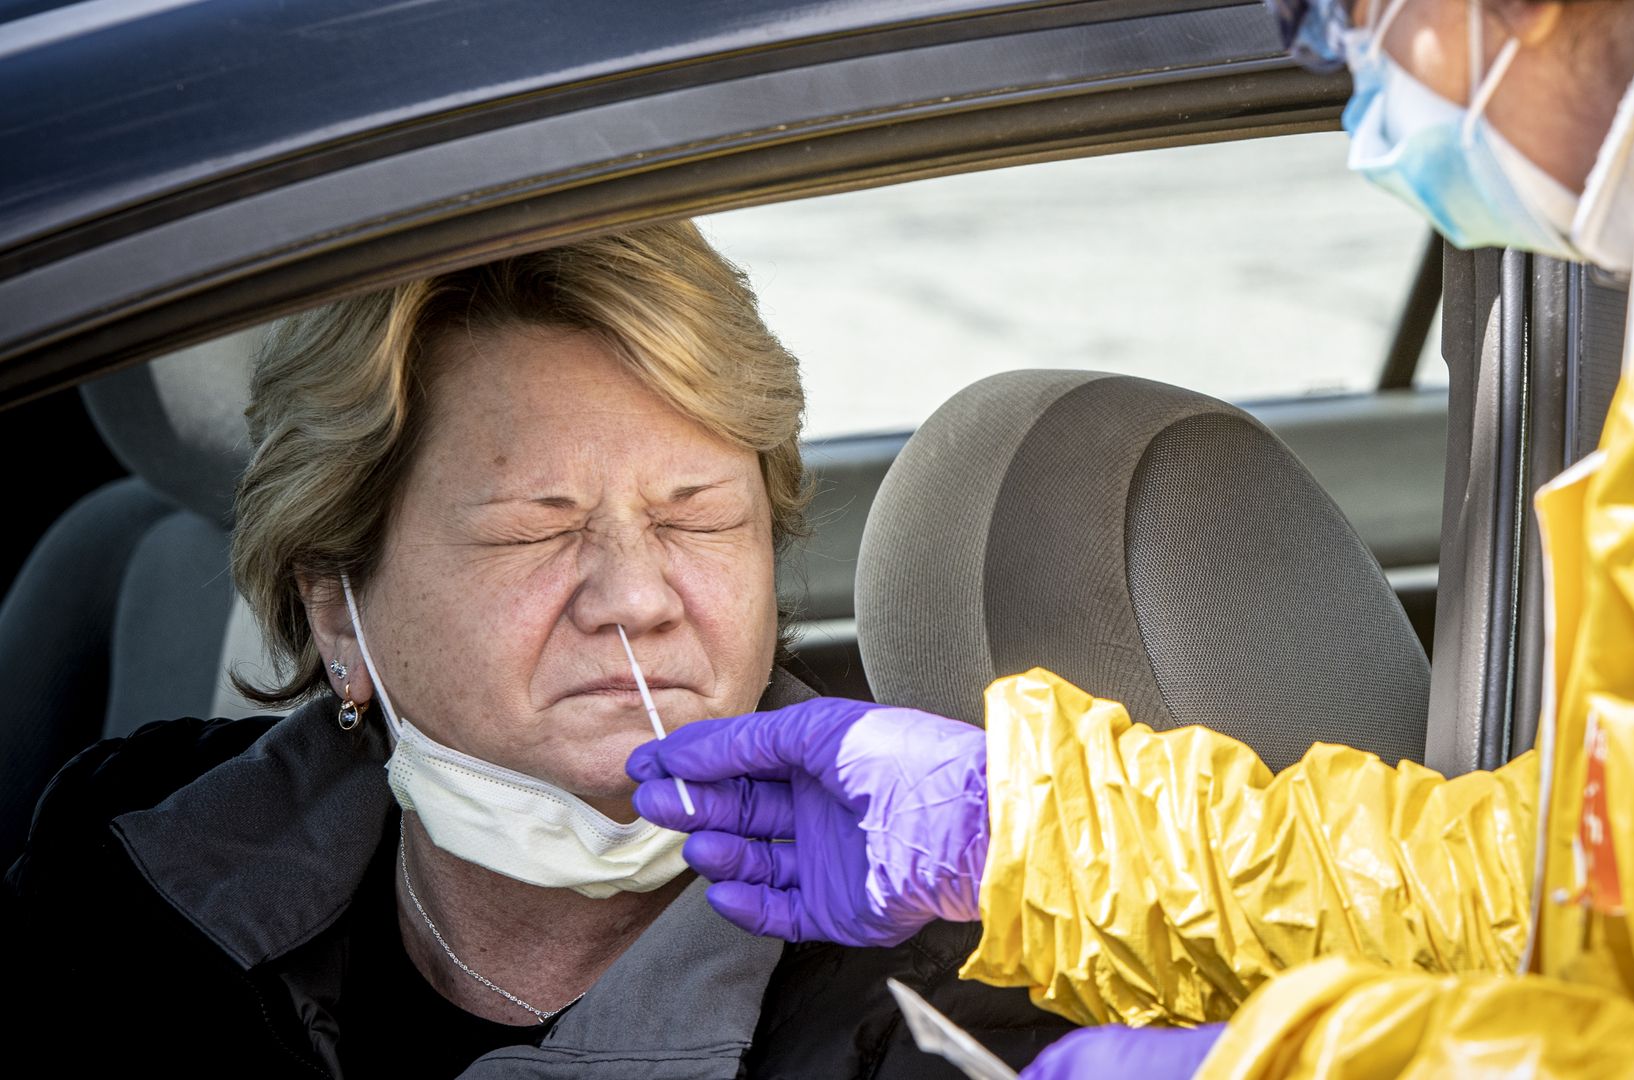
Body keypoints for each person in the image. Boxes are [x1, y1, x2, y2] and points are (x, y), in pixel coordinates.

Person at [627, 0, 1634, 1075]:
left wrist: (1260, 1066)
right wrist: (1018, 832)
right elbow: (1572, 897)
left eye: (1343, 15)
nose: (1352, 84)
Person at [4, 224, 1075, 1077]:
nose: (637, 599)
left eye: (696, 518)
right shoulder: (131, 857)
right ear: (337, 613)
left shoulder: (940, 986)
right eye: (535, 529)